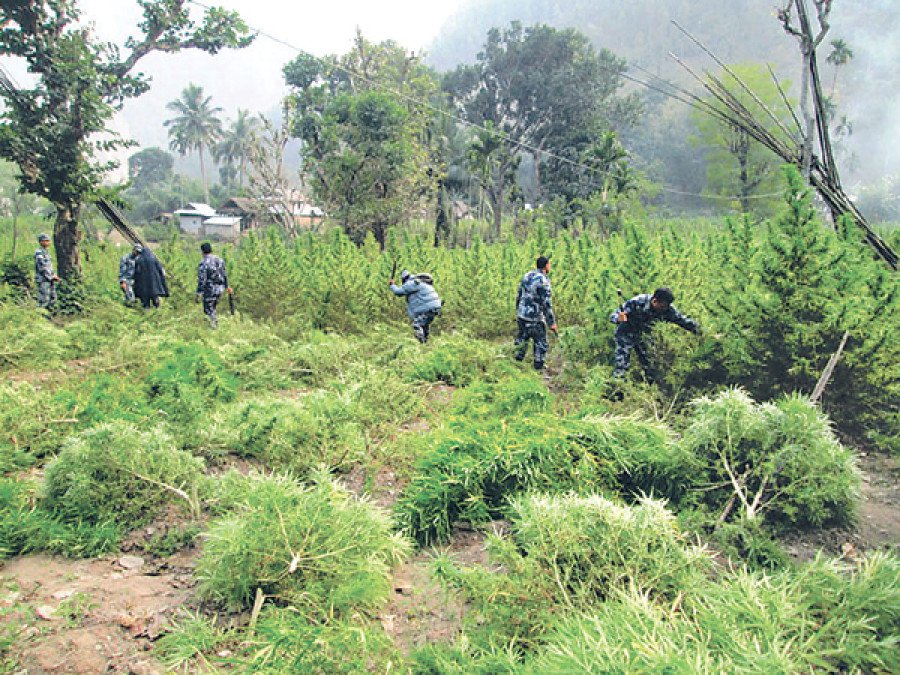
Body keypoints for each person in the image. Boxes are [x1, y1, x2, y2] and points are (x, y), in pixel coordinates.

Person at [610, 287, 699, 382]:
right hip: (626, 333)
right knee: (622, 362)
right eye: (662, 306)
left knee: (649, 363)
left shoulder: (668, 310)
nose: (664, 309)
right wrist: (618, 318)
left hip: (643, 335)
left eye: (667, 306)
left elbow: (684, 321)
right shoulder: (638, 301)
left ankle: (650, 385)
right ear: (655, 301)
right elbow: (614, 315)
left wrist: (702, 332)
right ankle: (618, 384)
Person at [514, 255, 558, 370]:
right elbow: (546, 304)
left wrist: (518, 311)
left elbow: (519, 295)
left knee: (521, 341)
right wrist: (551, 323)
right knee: (540, 344)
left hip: (522, 315)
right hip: (535, 318)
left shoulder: (527, 275)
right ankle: (538, 370)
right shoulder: (543, 281)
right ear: (546, 266)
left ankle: (516, 366)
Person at [389, 269, 442, 343]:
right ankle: (425, 344)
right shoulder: (423, 283)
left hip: (427, 308)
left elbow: (398, 292)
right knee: (424, 326)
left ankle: (421, 343)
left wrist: (392, 285)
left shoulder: (412, 283)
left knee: (417, 325)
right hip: (435, 308)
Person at [196, 242, 232, 328]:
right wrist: (227, 286)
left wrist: (199, 293)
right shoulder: (219, 260)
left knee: (208, 309)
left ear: (202, 251)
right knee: (213, 307)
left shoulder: (204, 263)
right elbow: (224, 274)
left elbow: (202, 279)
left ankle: (213, 326)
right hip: (220, 288)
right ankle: (214, 324)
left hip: (210, 289)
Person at [131, 244, 169, 309]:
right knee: (156, 300)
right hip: (155, 285)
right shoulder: (154, 259)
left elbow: (136, 273)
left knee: (145, 303)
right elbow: (162, 271)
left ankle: (147, 315)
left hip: (143, 286)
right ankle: (159, 313)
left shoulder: (139, 260)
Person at [34, 233, 59, 310]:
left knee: (53, 298)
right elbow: (42, 266)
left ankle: (50, 317)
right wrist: (51, 276)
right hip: (43, 279)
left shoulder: (46, 252)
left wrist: (53, 275)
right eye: (46, 241)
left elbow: (49, 266)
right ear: (41, 242)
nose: (48, 242)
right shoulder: (39, 252)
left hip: (50, 279)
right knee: (44, 299)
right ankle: (40, 317)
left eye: (48, 241)